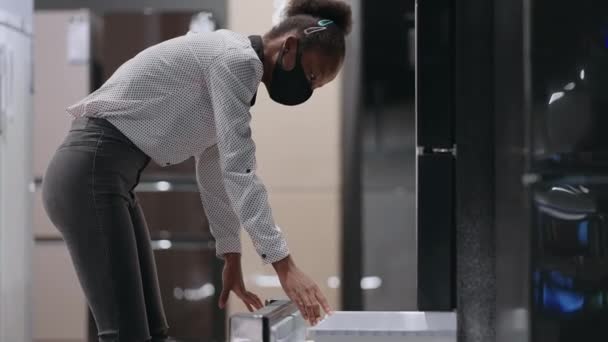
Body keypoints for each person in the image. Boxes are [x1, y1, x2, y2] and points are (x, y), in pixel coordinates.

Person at [41, 0, 352, 341]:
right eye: (310, 76)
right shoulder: (236, 61)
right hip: (90, 173)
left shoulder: (235, 72)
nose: (306, 90)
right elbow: (240, 171)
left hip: (105, 179)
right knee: (126, 334)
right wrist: (284, 265)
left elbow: (215, 170)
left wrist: (230, 255)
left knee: (152, 333)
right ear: (290, 46)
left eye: (315, 87)